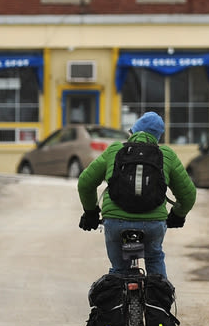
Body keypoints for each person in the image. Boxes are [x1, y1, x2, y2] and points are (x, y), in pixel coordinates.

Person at [76, 111, 196, 279]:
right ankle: (158, 302)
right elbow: (189, 195)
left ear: (133, 132)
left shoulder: (115, 150)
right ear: (157, 137)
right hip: (153, 224)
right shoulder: (166, 155)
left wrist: (90, 212)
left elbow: (85, 183)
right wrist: (178, 215)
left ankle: (117, 296)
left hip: (116, 222)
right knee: (154, 258)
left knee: (119, 269)